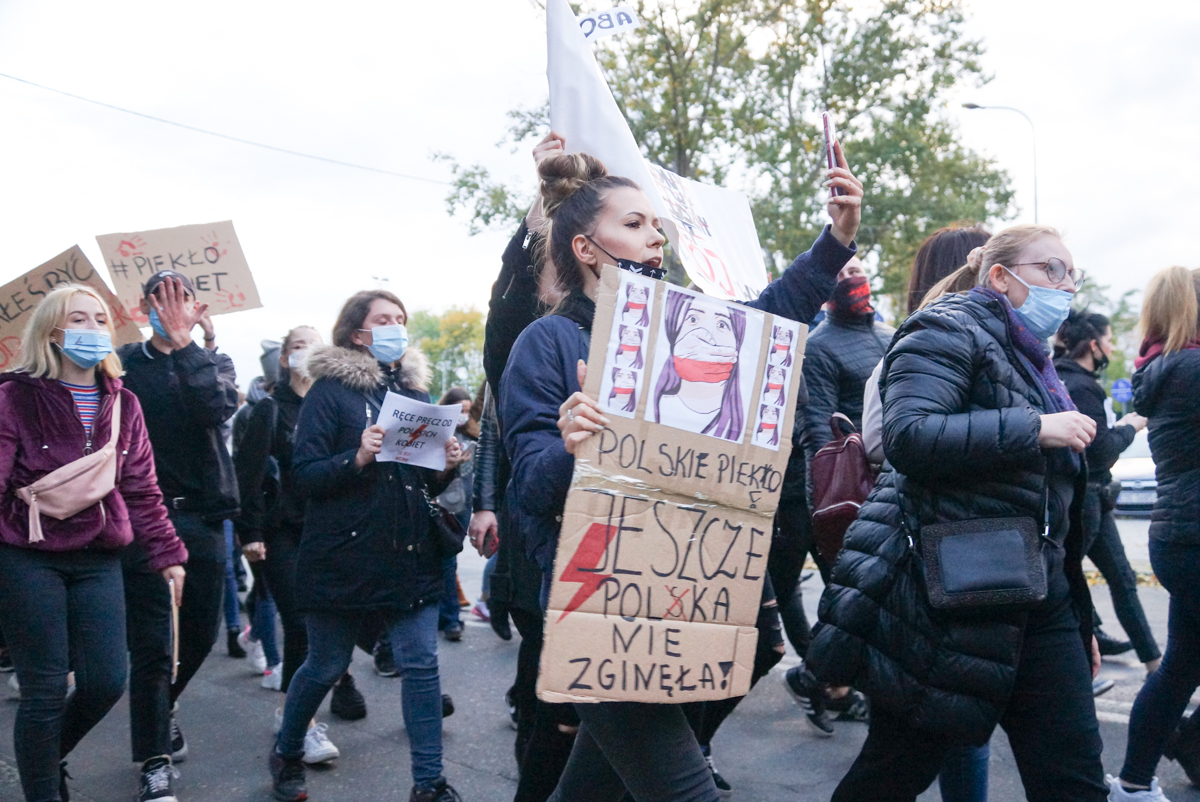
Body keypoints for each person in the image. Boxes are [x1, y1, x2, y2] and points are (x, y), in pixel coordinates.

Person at [500, 130, 862, 801]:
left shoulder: (683, 327)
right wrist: (571, 442)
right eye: (634, 224)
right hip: (603, 602)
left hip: (684, 594)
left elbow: (770, 318)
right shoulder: (546, 342)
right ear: (586, 248)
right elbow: (528, 482)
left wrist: (835, 240)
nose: (655, 238)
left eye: (657, 227)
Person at [809, 224, 1109, 801]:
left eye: (1073, 274)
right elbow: (910, 436)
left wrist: (1081, 621)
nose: (1067, 286)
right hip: (954, 605)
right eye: (1052, 270)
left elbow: (1055, 511)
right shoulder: (944, 328)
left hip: (1041, 605)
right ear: (1000, 276)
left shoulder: (1035, 359)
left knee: (1073, 781)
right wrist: (1034, 428)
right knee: (893, 775)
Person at [267, 290, 465, 802]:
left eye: (401, 319)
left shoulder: (413, 396)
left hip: (409, 554)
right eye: (384, 320)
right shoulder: (328, 395)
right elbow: (304, 477)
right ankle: (288, 750)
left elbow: (419, 486)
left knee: (421, 663)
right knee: (326, 666)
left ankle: (430, 783)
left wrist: (446, 463)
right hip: (344, 559)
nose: (396, 326)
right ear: (358, 333)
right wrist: (355, 457)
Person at [0, 284, 188, 802]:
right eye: (78, 319)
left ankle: (41, 757)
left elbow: (142, 487)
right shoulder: (13, 396)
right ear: (52, 332)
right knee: (43, 691)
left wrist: (168, 555)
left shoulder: (125, 403)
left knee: (106, 680)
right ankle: (43, 790)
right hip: (27, 555)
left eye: (99, 319)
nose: (92, 329)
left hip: (100, 554)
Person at [859, 225, 992, 802]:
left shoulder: (1002, 346)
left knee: (960, 720)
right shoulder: (918, 342)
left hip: (976, 556)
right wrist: (1005, 437)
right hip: (927, 557)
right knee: (918, 736)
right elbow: (881, 439)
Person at [117, 271, 240, 790]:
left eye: (180, 298)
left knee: (198, 635)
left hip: (202, 517)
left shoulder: (214, 363)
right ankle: (153, 763)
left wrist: (189, 345)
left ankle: (164, 704)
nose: (170, 308)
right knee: (151, 642)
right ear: (143, 308)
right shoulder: (122, 364)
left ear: (196, 306)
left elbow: (215, 408)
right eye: (159, 299)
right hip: (144, 516)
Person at [235, 325, 365, 761]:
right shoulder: (270, 411)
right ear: (284, 359)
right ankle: (300, 723)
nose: (305, 351)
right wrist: (250, 533)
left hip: (330, 530)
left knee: (327, 627)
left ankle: (308, 703)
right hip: (283, 530)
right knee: (301, 623)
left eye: (313, 342)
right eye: (296, 345)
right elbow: (249, 476)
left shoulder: (337, 402)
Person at [1108, 267, 1200, 801]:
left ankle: (1135, 783)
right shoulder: (1191, 369)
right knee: (1178, 669)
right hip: (1193, 538)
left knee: (1180, 668)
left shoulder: (1167, 367)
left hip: (1179, 538)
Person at [1054, 310, 1160, 676]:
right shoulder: (1082, 386)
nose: (1113, 347)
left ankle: (1152, 662)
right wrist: (1130, 427)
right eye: (1110, 340)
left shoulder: (1059, 377)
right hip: (1088, 500)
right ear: (1094, 345)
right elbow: (1097, 448)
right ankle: (1144, 662)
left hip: (1086, 498)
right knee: (1089, 579)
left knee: (1117, 579)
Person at [434, 385, 479, 642]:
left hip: (463, 506)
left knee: (449, 560)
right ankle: (450, 619)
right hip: (441, 503)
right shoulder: (440, 434)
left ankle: (446, 615)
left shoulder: (473, 434)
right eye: (460, 410)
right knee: (446, 562)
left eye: (468, 410)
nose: (464, 414)